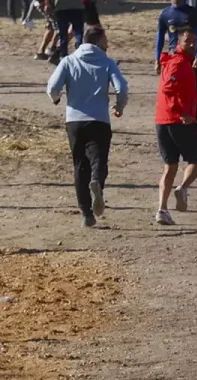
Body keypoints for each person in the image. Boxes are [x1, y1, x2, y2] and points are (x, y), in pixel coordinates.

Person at [47, 25, 127, 228]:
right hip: (99, 119)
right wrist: (119, 105)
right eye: (106, 40)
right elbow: (122, 88)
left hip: (74, 121)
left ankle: (86, 213)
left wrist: (57, 99)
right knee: (98, 161)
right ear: (99, 41)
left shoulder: (69, 60)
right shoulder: (107, 62)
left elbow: (52, 87)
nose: (107, 44)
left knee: (79, 165)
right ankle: (97, 183)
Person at [154, 29, 197, 225]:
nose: (192, 45)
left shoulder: (180, 63)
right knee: (196, 161)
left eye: (195, 41)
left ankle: (162, 209)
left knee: (170, 166)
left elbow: (180, 91)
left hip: (163, 121)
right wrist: (182, 114)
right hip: (177, 121)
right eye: (188, 41)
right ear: (178, 42)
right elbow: (168, 90)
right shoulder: (178, 64)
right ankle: (183, 187)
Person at [155, 0, 197, 76]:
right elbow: (160, 38)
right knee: (172, 86)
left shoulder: (194, 13)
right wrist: (157, 59)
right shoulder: (165, 14)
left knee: (191, 87)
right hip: (173, 57)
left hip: (190, 57)